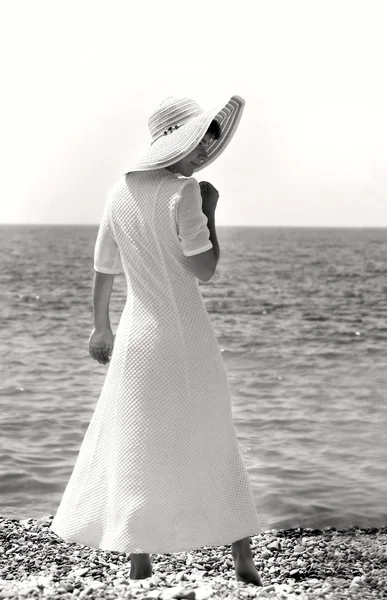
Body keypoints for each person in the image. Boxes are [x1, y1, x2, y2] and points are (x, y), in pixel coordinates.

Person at [49, 95, 264, 587]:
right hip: (184, 333)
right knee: (214, 437)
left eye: (209, 144)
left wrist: (98, 326)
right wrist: (210, 210)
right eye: (199, 144)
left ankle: (139, 559)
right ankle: (242, 560)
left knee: (137, 441)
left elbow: (104, 265)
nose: (205, 153)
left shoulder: (118, 192)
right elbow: (203, 270)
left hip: (134, 337)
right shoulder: (185, 193)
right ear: (176, 143)